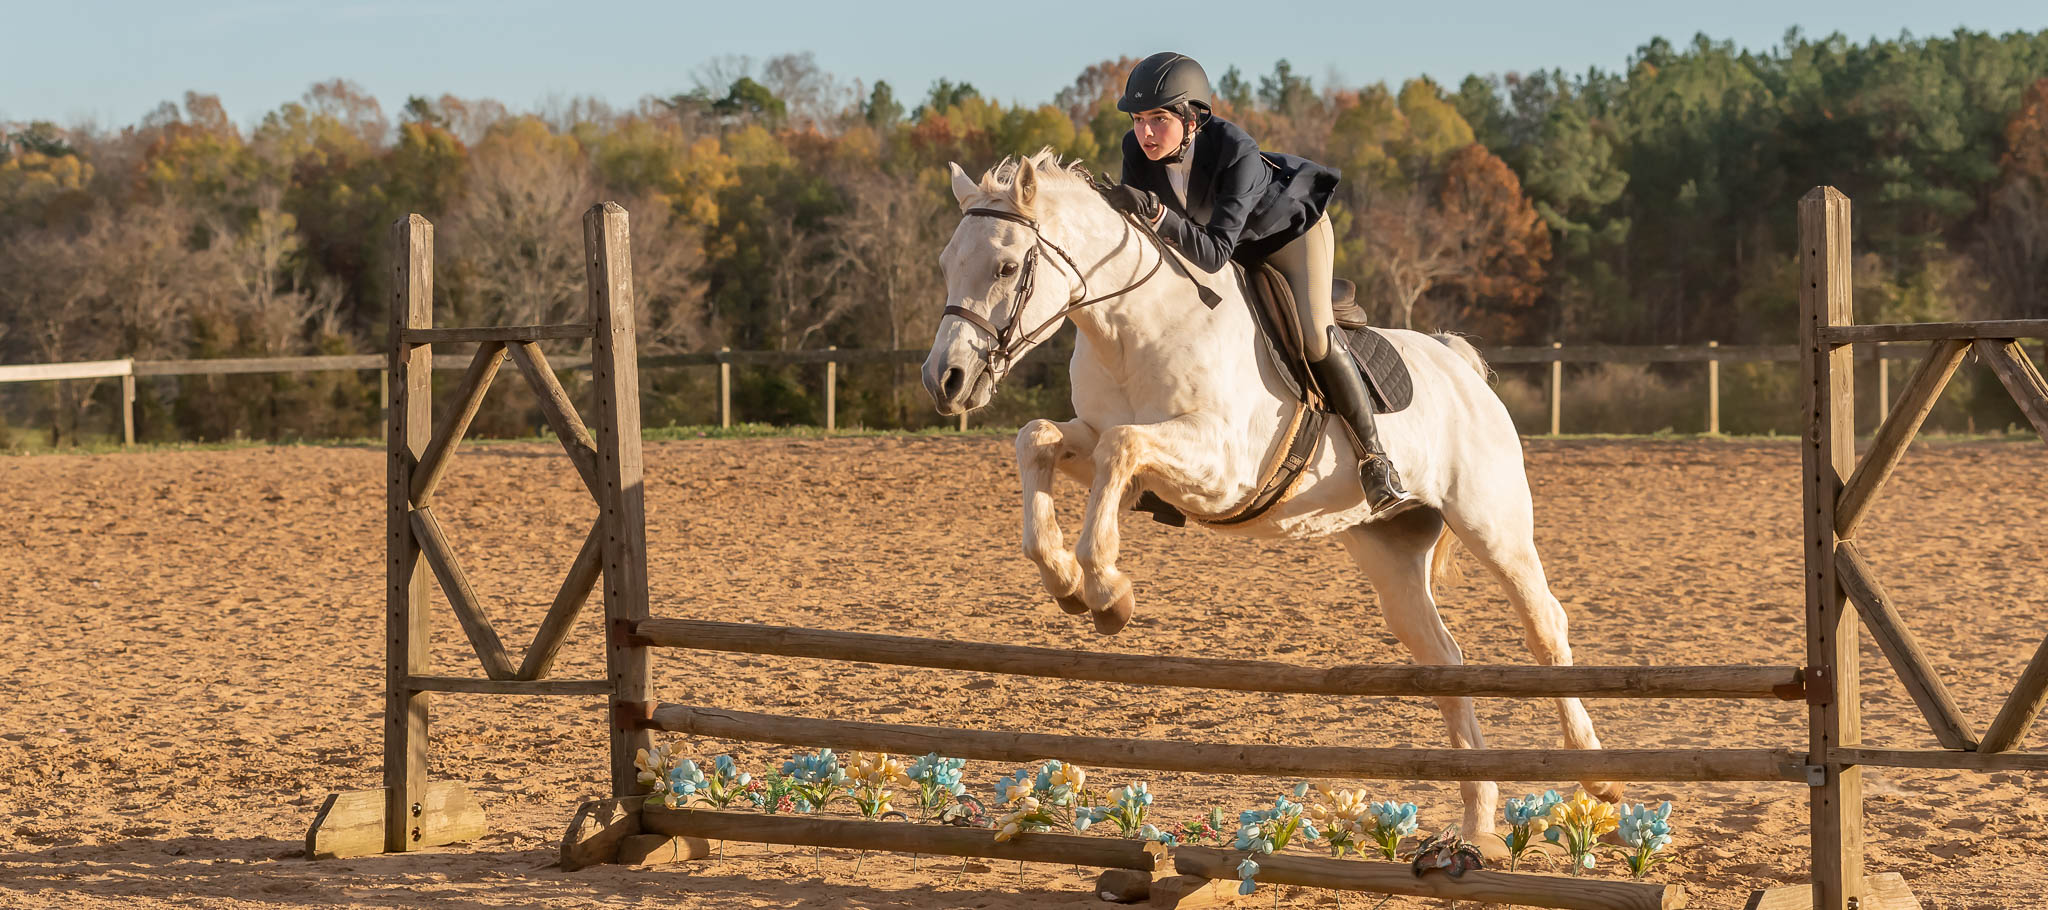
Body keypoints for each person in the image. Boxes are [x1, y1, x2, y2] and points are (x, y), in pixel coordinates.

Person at [1100, 51, 1417, 518]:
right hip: (1217, 241)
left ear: (1192, 120)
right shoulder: (1136, 151)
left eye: (1158, 119)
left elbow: (1212, 254)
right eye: (1139, 119)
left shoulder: (1236, 153)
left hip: (1287, 236)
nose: (1145, 132)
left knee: (1312, 337)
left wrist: (1152, 211)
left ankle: (1375, 461)